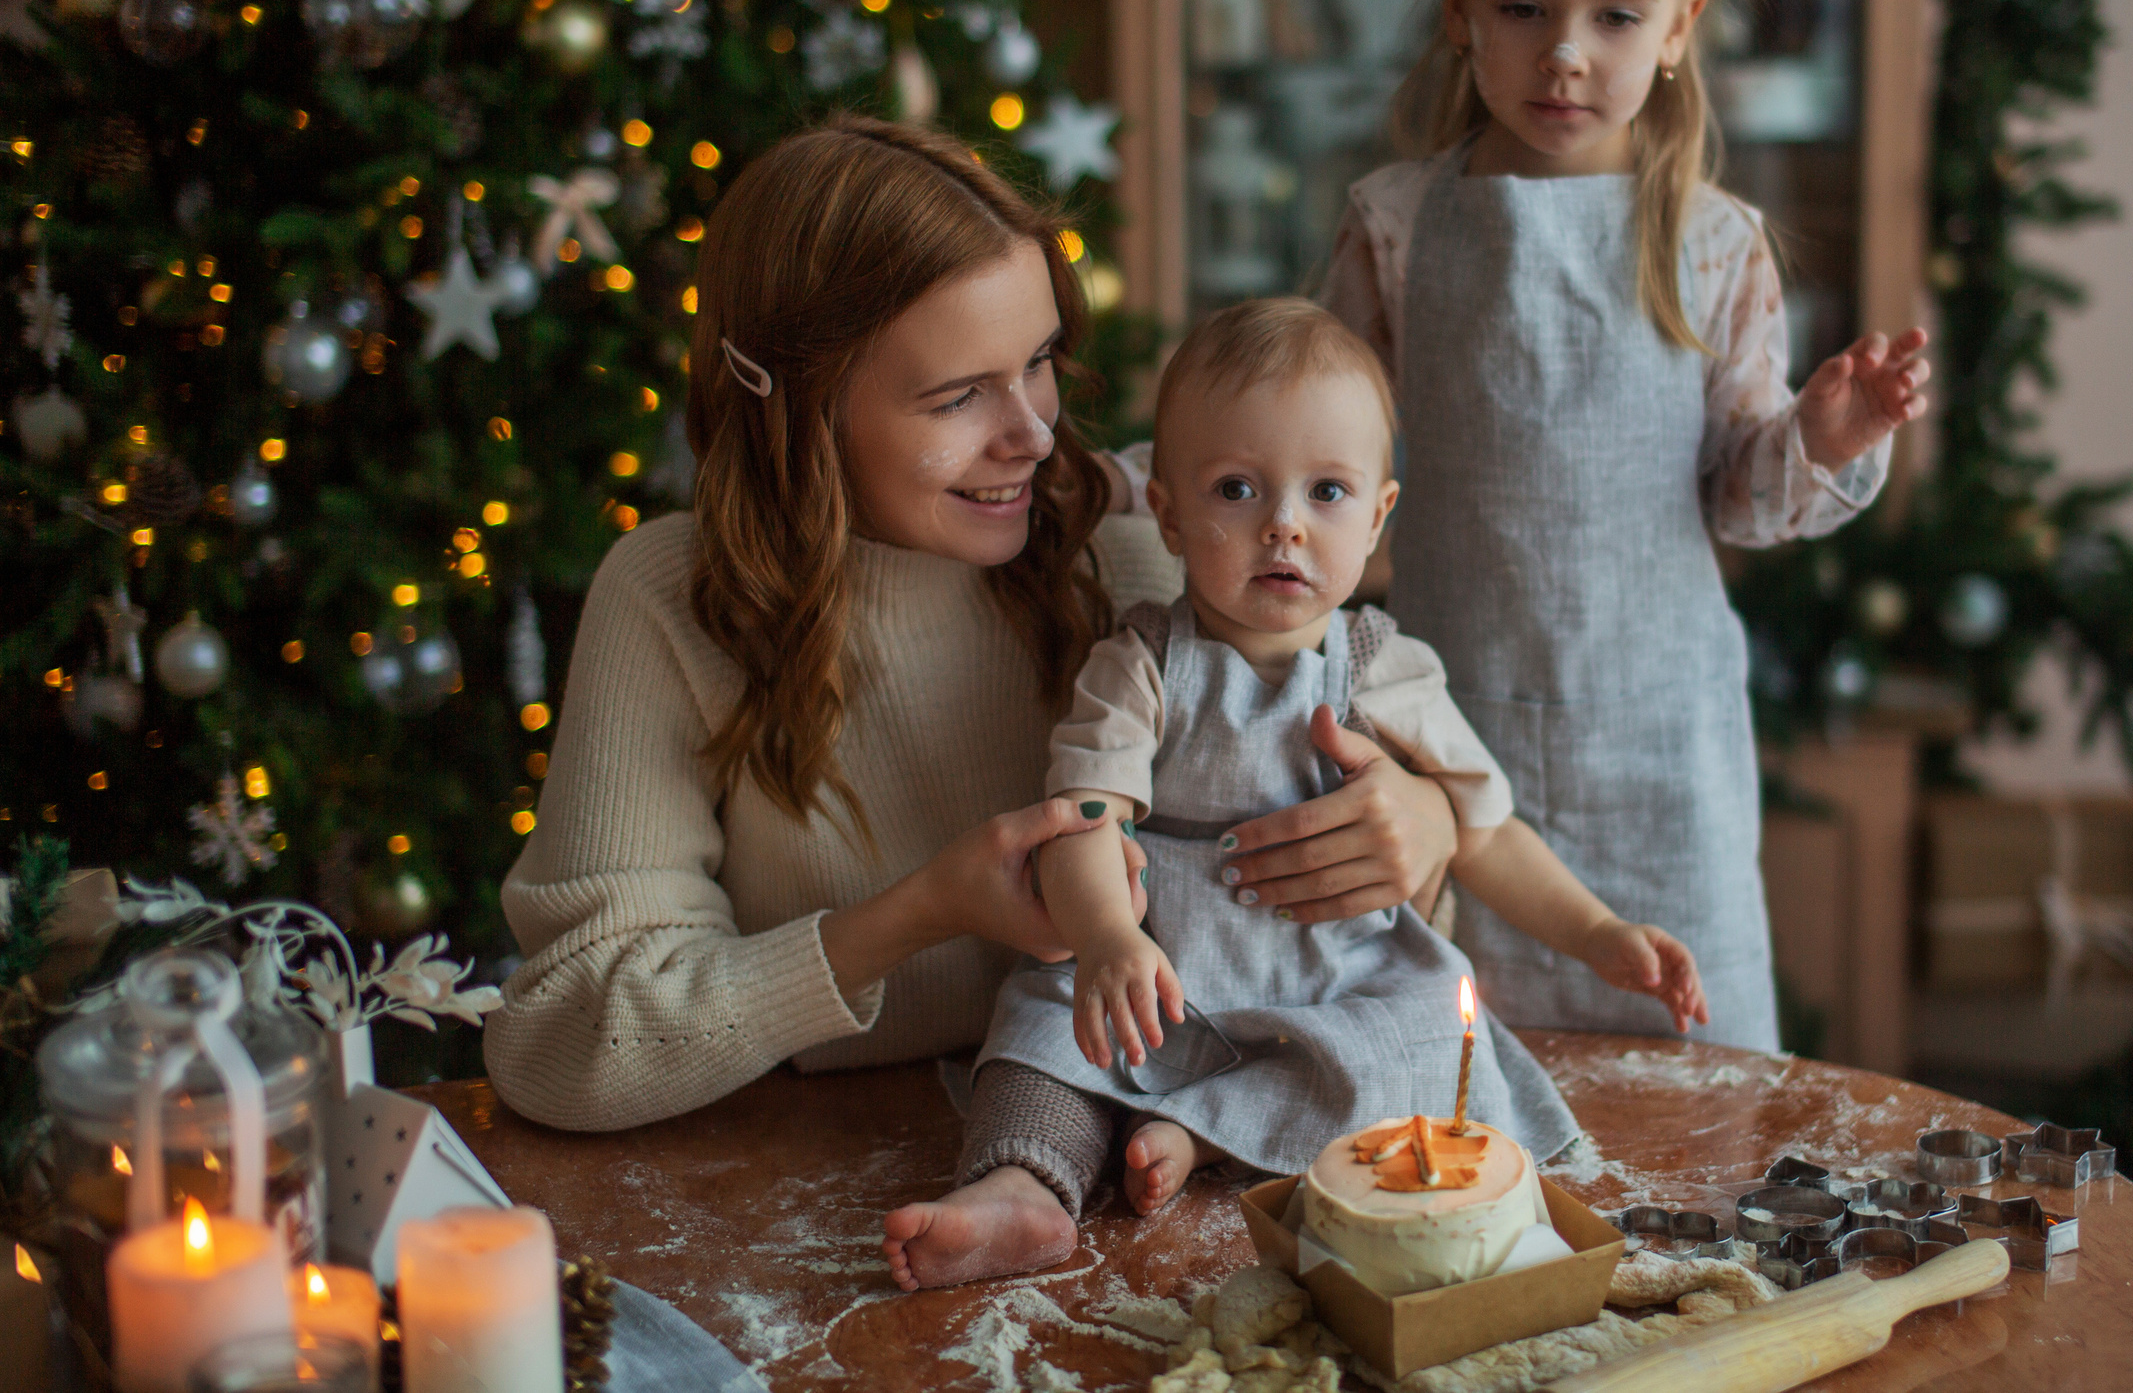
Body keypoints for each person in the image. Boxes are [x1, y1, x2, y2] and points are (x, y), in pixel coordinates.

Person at [485, 115, 1465, 1136]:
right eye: (958, 397)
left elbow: (1379, 953)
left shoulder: (1144, 542)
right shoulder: (677, 599)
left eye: (1038, 360)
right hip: (813, 1171)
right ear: (800, 410)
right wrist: (913, 916)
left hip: (1178, 1148)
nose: (1035, 436)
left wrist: (1433, 831)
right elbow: (560, 1042)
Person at [883, 299, 1707, 1291]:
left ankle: (1196, 1137)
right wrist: (1105, 937)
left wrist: (1600, 933)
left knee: (1415, 1037)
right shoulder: (1138, 661)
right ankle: (1021, 1190)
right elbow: (1085, 818)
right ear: (1170, 511)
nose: (1282, 524)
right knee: (1040, 1032)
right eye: (1236, 488)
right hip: (1162, 979)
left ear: (1378, 514)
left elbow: (1485, 835)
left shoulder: (1385, 668)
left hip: (1327, 980)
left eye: (1326, 492)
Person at [1321, 0, 1933, 1052]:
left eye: (1614, 16)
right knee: (1459, 1081)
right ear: (1456, 6)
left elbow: (1742, 503)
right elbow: (1314, 449)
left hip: (1661, 748)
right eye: (1523, 10)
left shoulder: (1711, 246)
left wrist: (1821, 436)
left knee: (1685, 1082)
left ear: (1678, 27)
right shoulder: (1396, 225)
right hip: (1449, 734)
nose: (1564, 54)